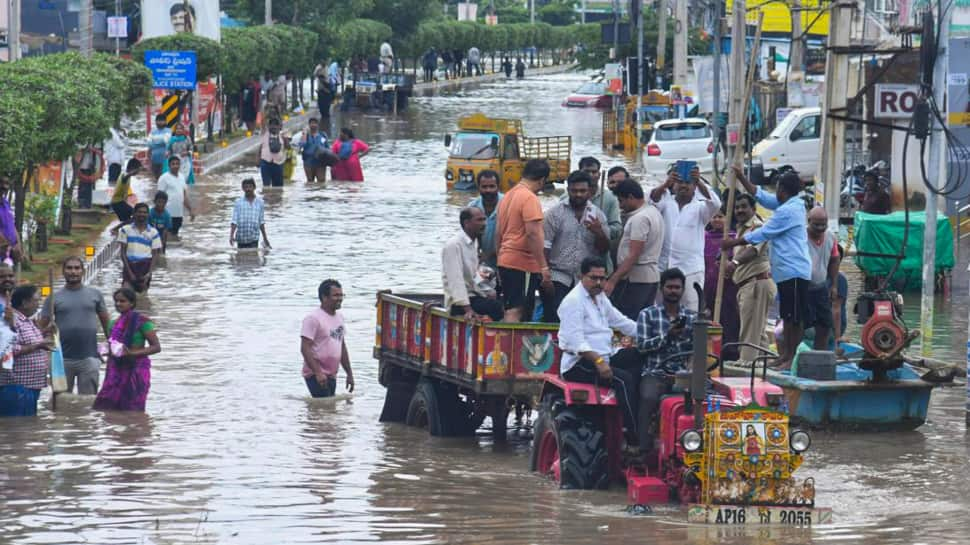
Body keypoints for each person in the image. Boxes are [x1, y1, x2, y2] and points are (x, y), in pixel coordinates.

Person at [722, 168, 812, 370]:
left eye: (778, 189)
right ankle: (784, 356)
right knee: (787, 316)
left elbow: (764, 233)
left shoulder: (789, 211)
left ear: (783, 190)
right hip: (785, 273)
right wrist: (742, 177)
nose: (775, 193)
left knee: (794, 319)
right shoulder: (785, 203)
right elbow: (762, 197)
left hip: (795, 270)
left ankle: (790, 358)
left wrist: (733, 243)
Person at [557, 257, 640, 445]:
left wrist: (652, 331)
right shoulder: (573, 301)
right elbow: (575, 341)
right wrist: (599, 362)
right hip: (579, 364)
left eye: (602, 278)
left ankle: (646, 421)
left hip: (606, 356)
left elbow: (621, 322)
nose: (599, 283)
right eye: (593, 278)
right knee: (623, 380)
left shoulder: (600, 298)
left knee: (640, 359)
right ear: (581, 276)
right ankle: (633, 436)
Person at [636, 268, 697, 452]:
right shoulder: (647, 314)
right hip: (655, 372)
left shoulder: (692, 317)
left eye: (677, 287)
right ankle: (643, 450)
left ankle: (693, 445)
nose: (673, 291)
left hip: (682, 373)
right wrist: (667, 336)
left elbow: (696, 350)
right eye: (669, 287)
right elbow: (642, 346)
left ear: (682, 290)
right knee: (648, 398)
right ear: (662, 289)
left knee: (704, 400)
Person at [649, 166, 721, 312]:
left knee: (692, 312)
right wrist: (665, 184)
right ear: (673, 185)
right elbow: (651, 200)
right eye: (680, 182)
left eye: (688, 183)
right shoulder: (666, 203)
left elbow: (716, 204)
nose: (683, 185)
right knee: (661, 311)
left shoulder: (701, 208)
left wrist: (699, 180)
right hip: (664, 267)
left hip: (691, 270)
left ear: (694, 187)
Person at [541, 170, 609, 322]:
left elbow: (604, 250)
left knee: (586, 319)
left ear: (590, 192)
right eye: (574, 190)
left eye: (582, 191)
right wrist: (545, 277)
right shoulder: (554, 213)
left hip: (586, 279)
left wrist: (599, 232)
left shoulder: (597, 215)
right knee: (555, 317)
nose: (578, 194)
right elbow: (545, 247)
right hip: (558, 275)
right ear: (568, 190)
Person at [39, 257, 111, 395]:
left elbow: (106, 323)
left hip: (89, 358)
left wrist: (112, 346)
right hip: (61, 359)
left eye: (77, 268)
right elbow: (40, 329)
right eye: (69, 268)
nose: (73, 272)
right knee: (61, 402)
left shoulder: (95, 295)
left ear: (82, 271)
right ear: (63, 271)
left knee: (88, 402)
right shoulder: (53, 298)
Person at [495, 159, 552, 322]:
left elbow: (498, 233)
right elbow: (533, 234)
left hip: (506, 260)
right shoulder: (529, 198)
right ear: (542, 180)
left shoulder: (507, 196)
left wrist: (500, 258)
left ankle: (509, 345)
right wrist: (543, 266)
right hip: (522, 263)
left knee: (512, 307)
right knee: (517, 310)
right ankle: (510, 347)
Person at [724, 192, 776, 365]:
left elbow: (753, 250)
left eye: (744, 206)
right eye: (737, 207)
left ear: (753, 209)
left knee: (750, 329)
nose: (739, 210)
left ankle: (746, 363)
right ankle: (765, 363)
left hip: (756, 283)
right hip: (747, 285)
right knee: (757, 329)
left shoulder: (757, 226)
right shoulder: (740, 229)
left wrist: (734, 262)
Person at [92, 288, 161, 412]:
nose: (118, 304)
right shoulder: (113, 323)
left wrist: (131, 353)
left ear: (132, 303)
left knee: (134, 408)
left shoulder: (142, 322)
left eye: (122, 301)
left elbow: (156, 347)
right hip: (116, 369)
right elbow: (113, 345)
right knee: (107, 406)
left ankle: (134, 430)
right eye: (116, 301)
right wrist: (105, 351)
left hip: (137, 369)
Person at [607, 179, 665, 320]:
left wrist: (613, 280)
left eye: (621, 201)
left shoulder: (640, 218)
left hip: (636, 279)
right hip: (650, 277)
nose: (620, 206)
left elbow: (633, 255)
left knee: (628, 321)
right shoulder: (653, 211)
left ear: (631, 197)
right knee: (642, 320)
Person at [442, 208, 504, 322]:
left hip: (474, 295)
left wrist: (488, 290)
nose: (484, 224)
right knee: (497, 307)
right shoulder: (454, 245)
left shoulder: (473, 243)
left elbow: (473, 277)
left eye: (484, 220)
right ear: (466, 223)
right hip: (459, 303)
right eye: (479, 220)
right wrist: (468, 310)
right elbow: (455, 281)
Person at [0, 286, 53, 417]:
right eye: (36, 300)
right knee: (16, 428)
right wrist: (38, 345)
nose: (38, 304)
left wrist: (43, 334)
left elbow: (26, 340)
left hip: (30, 386)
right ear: (24, 303)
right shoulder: (11, 320)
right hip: (17, 386)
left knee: (27, 426)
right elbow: (7, 349)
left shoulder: (27, 320)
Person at [300, 279, 355, 398]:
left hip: (331, 374)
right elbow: (305, 348)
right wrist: (318, 372)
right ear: (324, 297)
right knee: (324, 409)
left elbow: (342, 347)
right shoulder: (313, 319)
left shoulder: (339, 318)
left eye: (341, 295)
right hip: (315, 374)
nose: (340, 298)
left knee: (328, 411)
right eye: (336, 295)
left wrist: (349, 374)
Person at [703, 209, 739, 362]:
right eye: (714, 216)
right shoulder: (704, 237)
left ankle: (730, 352)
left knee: (729, 318)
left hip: (728, 288)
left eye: (720, 216)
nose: (717, 220)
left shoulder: (733, 238)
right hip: (709, 285)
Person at [575, 157, 623, 269]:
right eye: (587, 171)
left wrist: (600, 229)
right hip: (574, 262)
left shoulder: (610, 198)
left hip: (599, 260)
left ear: (599, 174)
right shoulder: (567, 198)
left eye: (594, 172)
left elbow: (617, 229)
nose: (591, 175)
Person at [805, 207, 840, 350]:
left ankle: (819, 353)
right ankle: (793, 356)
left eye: (823, 224)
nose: (820, 228)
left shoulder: (831, 237)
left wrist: (834, 285)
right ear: (808, 221)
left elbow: (835, 259)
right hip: (802, 286)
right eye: (816, 224)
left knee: (825, 323)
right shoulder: (800, 236)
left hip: (820, 286)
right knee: (799, 323)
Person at [118, 203, 162, 293]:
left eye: (144, 212)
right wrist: (129, 273)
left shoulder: (153, 233)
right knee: (126, 293)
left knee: (142, 298)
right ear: (134, 214)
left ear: (148, 215)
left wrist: (149, 273)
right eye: (139, 212)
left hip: (145, 267)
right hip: (129, 266)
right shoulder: (125, 230)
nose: (142, 214)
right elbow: (122, 252)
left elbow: (155, 255)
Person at [468, 170, 504, 268]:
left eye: (492, 186)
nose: (488, 190)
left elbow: (512, 237)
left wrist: (488, 255)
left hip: (505, 262)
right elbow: (468, 237)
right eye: (484, 187)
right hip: (481, 264)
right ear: (478, 187)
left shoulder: (507, 204)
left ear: (498, 187)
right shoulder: (472, 207)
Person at [156, 156, 194, 239]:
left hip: (178, 214)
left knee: (175, 235)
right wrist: (158, 213)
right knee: (166, 236)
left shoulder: (182, 177)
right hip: (167, 213)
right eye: (173, 164)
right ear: (169, 165)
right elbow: (159, 197)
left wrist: (190, 210)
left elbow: (184, 196)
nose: (175, 166)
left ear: (180, 165)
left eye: (177, 164)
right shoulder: (164, 178)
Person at [230, 178, 271, 250]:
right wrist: (231, 236)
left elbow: (261, 222)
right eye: (245, 187)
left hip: (254, 237)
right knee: (240, 258)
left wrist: (265, 238)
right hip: (241, 237)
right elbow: (234, 220)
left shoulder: (260, 202)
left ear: (254, 187)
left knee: (253, 258)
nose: (248, 189)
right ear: (242, 188)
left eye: (250, 187)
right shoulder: (238, 202)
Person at [295, 118, 328, 183]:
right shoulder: (305, 135)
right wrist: (304, 135)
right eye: (311, 123)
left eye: (315, 123)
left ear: (318, 125)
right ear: (309, 125)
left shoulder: (323, 135)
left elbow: (327, 147)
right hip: (308, 162)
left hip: (320, 162)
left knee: (321, 181)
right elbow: (301, 145)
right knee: (310, 181)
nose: (313, 125)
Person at [259, 118, 288, 188]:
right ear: (268, 126)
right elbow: (260, 148)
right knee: (266, 186)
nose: (273, 126)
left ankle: (277, 198)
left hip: (278, 163)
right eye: (271, 125)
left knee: (278, 187)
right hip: (265, 163)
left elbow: (288, 148)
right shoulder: (265, 133)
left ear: (279, 126)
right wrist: (257, 160)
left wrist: (285, 139)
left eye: (276, 125)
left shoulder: (282, 135)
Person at [110, 158, 141, 225]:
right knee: (136, 215)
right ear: (133, 168)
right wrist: (132, 173)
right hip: (117, 202)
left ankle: (120, 231)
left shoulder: (125, 174)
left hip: (120, 202)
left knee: (126, 220)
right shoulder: (125, 175)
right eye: (138, 170)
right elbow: (125, 178)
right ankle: (116, 229)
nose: (138, 172)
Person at [0, 177, 22, 264]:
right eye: (2, 184)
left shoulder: (6, 203)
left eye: (7, 184)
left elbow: (12, 225)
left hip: (11, 252)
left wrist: (18, 245)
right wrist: (8, 247)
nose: (4, 187)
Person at [148, 114, 172, 180]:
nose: (160, 122)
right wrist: (149, 161)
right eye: (158, 121)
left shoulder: (168, 130)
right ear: (155, 122)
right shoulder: (152, 131)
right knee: (156, 179)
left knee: (163, 179)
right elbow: (149, 144)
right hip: (154, 159)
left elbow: (166, 141)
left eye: (162, 121)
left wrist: (154, 143)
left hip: (164, 160)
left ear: (165, 122)